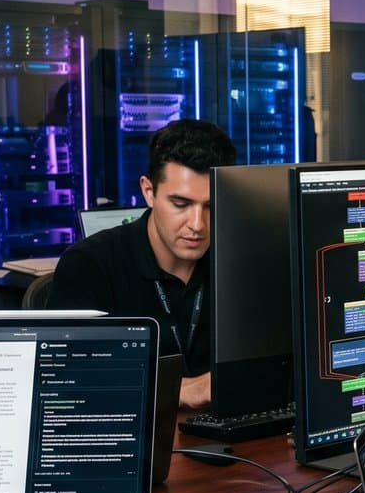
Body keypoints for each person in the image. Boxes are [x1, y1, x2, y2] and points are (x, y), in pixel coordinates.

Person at [48, 120, 237, 409]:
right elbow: (67, 378)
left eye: (211, 206)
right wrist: (178, 390)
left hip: (226, 427)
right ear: (148, 191)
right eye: (180, 204)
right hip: (128, 428)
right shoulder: (90, 263)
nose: (197, 225)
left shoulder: (239, 261)